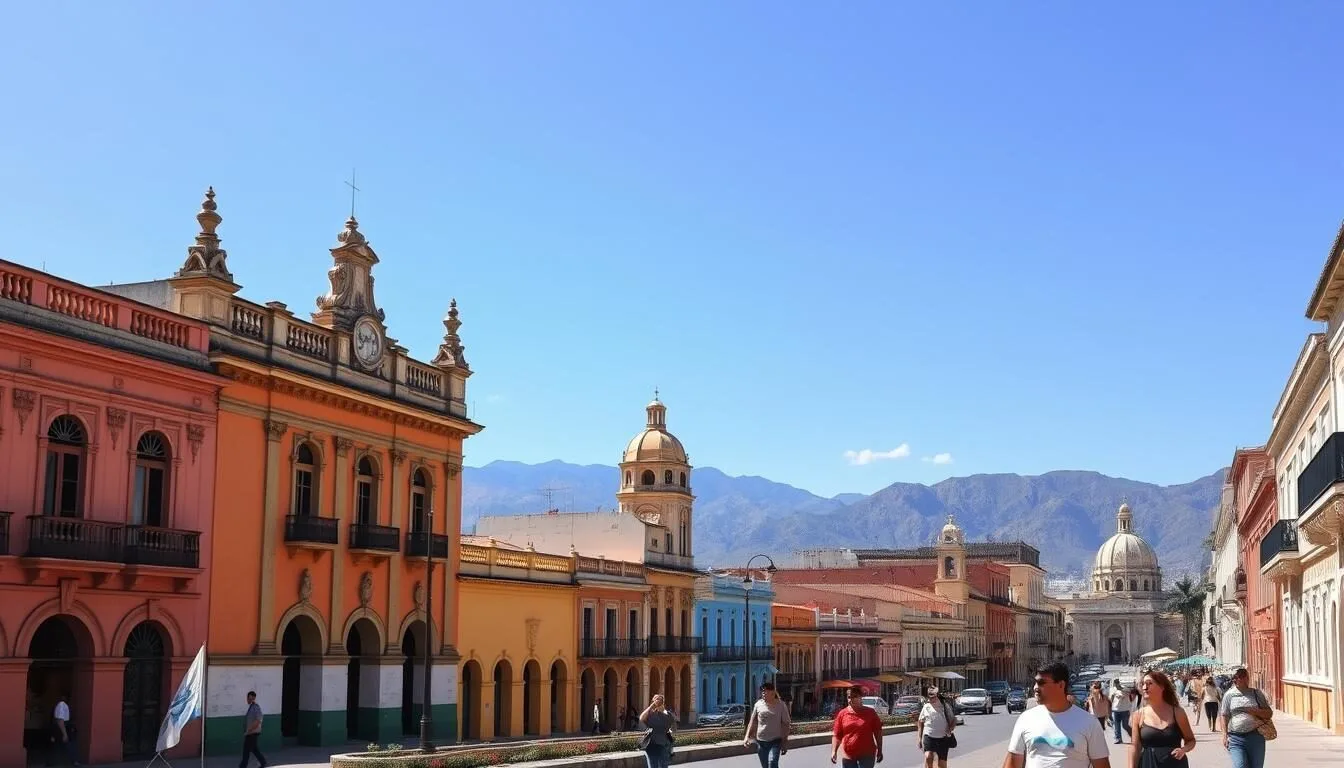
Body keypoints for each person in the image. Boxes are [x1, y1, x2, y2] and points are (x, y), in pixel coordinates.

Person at [1002, 662, 1110, 768]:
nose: (1035, 687)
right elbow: (1013, 762)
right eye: (1035, 682)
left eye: (1041, 683)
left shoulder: (1089, 723)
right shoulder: (1026, 719)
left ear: (1061, 685)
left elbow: (1102, 764)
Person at [1129, 671, 1195, 768]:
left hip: (1175, 764)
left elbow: (1191, 740)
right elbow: (1135, 747)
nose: (1144, 688)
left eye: (1149, 683)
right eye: (1143, 684)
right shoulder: (1138, 715)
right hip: (1148, 764)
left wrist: (1183, 750)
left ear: (1162, 687)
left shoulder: (1177, 712)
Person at [1218, 667, 1272, 768]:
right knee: (1240, 765)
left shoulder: (1256, 694)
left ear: (1247, 677)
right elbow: (1224, 715)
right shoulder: (1229, 695)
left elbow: (1269, 713)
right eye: (1236, 677)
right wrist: (1224, 735)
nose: (1238, 679)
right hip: (1235, 738)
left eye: (1242, 676)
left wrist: (1255, 711)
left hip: (1256, 737)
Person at [830, 685, 883, 768]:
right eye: (849, 697)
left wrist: (880, 750)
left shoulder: (870, 713)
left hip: (866, 754)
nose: (851, 700)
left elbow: (878, 732)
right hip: (848, 755)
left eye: (854, 697)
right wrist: (834, 751)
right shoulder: (842, 714)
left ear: (860, 697)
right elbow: (837, 735)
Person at [744, 682, 791, 768]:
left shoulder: (781, 705)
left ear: (772, 693)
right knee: (765, 766)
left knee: (772, 762)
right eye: (762, 691)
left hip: (775, 741)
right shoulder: (758, 704)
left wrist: (784, 743)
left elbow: (786, 724)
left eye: (766, 691)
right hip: (761, 742)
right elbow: (752, 721)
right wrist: (747, 736)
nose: (763, 693)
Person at [916, 685, 956, 768]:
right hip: (929, 737)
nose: (930, 699)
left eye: (932, 697)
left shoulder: (945, 706)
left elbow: (953, 720)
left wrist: (950, 728)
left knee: (941, 764)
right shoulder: (926, 707)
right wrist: (919, 738)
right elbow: (920, 722)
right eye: (929, 697)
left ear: (937, 696)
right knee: (928, 756)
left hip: (943, 738)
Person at [639, 693, 676, 768]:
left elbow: (673, 724)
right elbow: (641, 718)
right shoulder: (650, 714)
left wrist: (662, 709)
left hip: (664, 745)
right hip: (651, 745)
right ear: (653, 701)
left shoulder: (667, 714)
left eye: (660, 700)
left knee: (663, 766)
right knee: (653, 766)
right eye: (656, 700)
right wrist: (651, 706)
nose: (658, 701)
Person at [239, 691, 267, 768]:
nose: (249, 700)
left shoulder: (255, 707)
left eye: (251, 698)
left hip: (252, 733)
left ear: (253, 698)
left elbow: (258, 720)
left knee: (246, 751)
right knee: (254, 749)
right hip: (251, 733)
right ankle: (263, 762)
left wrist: (249, 730)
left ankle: (242, 766)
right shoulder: (251, 707)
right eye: (248, 698)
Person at [52, 694, 78, 766]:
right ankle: (72, 761)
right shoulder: (62, 705)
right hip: (63, 727)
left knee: (60, 746)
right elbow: (60, 720)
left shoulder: (61, 705)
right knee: (68, 745)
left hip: (62, 727)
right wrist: (65, 734)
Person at [1109, 679, 1132, 744]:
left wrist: (1121, 693)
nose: (1116, 685)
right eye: (1115, 684)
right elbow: (1111, 698)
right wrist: (1110, 708)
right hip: (1115, 710)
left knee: (1125, 725)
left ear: (1119, 683)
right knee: (1116, 725)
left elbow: (1128, 694)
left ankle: (1133, 736)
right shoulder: (1113, 690)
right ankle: (1118, 738)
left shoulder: (1126, 689)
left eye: (1117, 683)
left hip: (1124, 710)